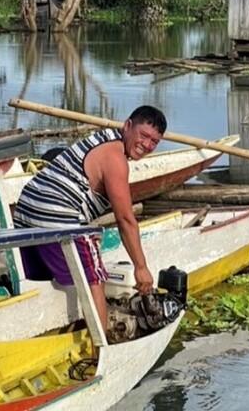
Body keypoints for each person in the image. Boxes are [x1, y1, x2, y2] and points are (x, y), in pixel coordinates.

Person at [13, 105, 167, 329]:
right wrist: (141, 268)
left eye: (154, 142)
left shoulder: (104, 139)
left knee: (46, 273)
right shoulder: (115, 158)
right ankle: (101, 348)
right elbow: (125, 219)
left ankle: (49, 327)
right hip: (54, 211)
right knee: (95, 277)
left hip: (27, 208)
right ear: (128, 126)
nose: (146, 145)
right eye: (143, 136)